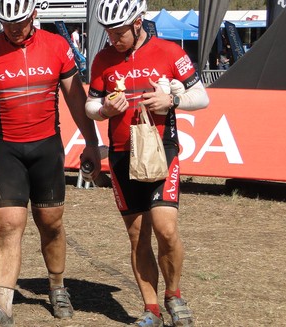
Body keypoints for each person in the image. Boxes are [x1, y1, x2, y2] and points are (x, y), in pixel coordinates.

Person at [0, 0, 101, 326]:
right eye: (6, 22)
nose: (13, 28)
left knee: (50, 224)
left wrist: (91, 143)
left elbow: (76, 98)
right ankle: (3, 307)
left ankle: (57, 285)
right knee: (8, 227)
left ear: (33, 14)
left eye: (19, 21)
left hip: (46, 151)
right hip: (7, 152)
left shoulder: (56, 45)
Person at [85, 1, 209, 326]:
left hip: (161, 149)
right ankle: (150, 308)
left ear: (138, 22)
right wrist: (105, 111)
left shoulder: (168, 52)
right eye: (109, 32)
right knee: (138, 235)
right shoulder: (103, 59)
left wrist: (172, 100)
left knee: (166, 229)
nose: (113, 38)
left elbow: (203, 97)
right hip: (122, 153)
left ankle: (174, 294)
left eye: (119, 32)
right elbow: (90, 104)